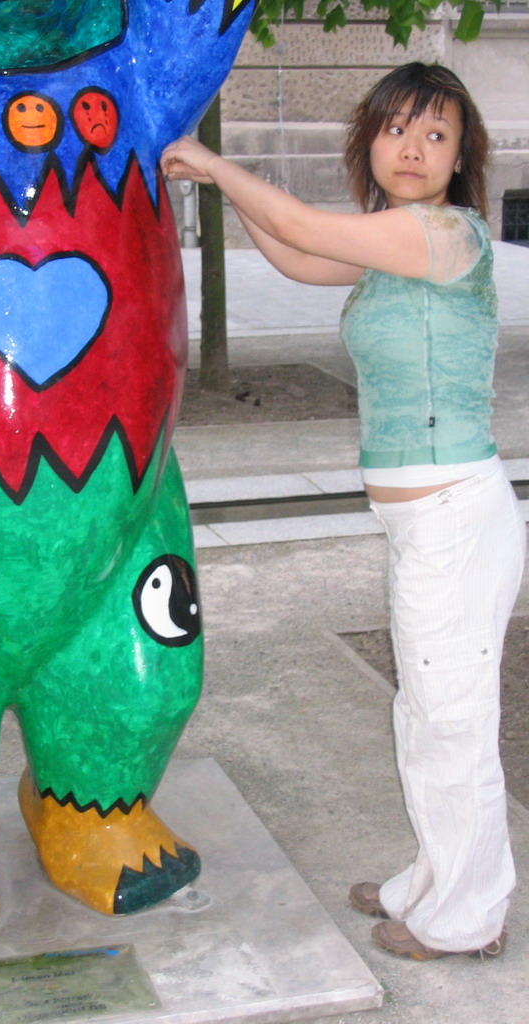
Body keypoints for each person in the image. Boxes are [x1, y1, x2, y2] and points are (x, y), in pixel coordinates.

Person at [162, 61, 526, 961]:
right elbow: (290, 250)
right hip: (423, 523)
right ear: (369, 139)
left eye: (435, 134)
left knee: (453, 722)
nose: (412, 146)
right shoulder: (388, 239)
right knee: (425, 712)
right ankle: (431, 879)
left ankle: (470, 913)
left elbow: (297, 222)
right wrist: (228, 193)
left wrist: (214, 163)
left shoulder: (447, 236)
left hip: (454, 517)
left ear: (459, 160)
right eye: (397, 127)